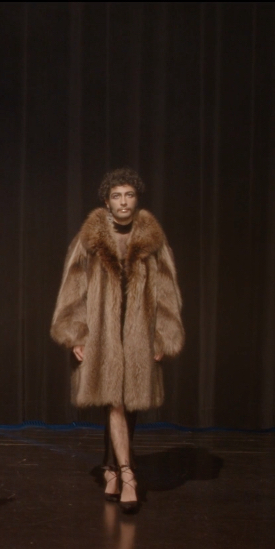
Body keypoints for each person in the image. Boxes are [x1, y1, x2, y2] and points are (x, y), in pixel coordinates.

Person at [50, 169, 184, 514]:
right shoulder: (89, 239)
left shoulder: (152, 239)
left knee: (129, 403)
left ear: (137, 199)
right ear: (106, 202)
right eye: (116, 196)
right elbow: (73, 290)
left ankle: (110, 468)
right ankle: (128, 475)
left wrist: (162, 337)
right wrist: (76, 333)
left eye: (129, 195)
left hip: (139, 334)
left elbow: (168, 293)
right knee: (115, 403)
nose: (123, 202)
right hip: (102, 336)